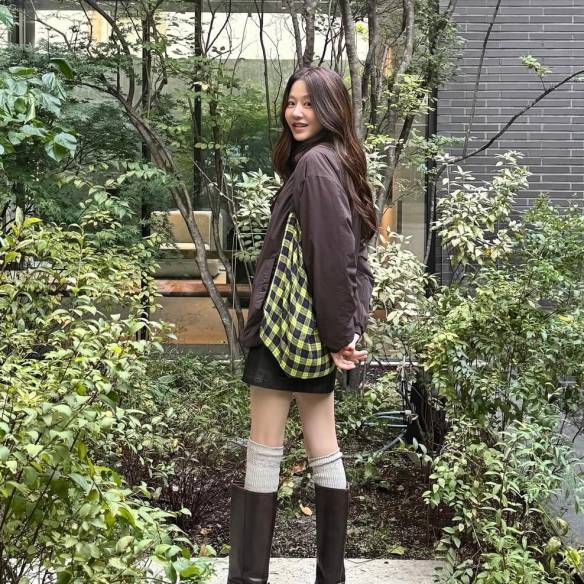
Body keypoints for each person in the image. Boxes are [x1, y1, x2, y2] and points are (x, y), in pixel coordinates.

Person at [228, 66, 377, 584]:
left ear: (331, 109)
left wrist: (340, 335)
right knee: (323, 445)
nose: (296, 113)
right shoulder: (335, 160)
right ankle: (330, 576)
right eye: (292, 102)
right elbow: (353, 257)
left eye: (309, 103)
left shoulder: (314, 165)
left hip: (284, 330)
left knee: (264, 448)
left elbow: (330, 258)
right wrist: (346, 331)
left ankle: (249, 577)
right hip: (313, 334)